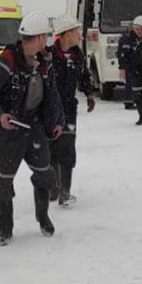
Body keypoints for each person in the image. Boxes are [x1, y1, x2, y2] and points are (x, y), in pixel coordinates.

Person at [0, 12, 64, 246]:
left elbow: (52, 95)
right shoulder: (6, 63)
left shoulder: (44, 62)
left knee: (45, 176)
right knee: (3, 184)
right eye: (45, 36)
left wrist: (57, 121)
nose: (47, 40)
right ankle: (5, 229)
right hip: (8, 133)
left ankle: (42, 216)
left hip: (34, 129)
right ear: (35, 38)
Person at [48, 15, 97, 207]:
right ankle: (53, 187)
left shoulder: (78, 55)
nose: (79, 35)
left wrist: (90, 94)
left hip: (69, 109)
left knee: (67, 149)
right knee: (51, 148)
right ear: (66, 34)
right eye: (76, 31)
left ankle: (65, 192)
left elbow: (84, 76)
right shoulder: (49, 55)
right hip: (50, 110)